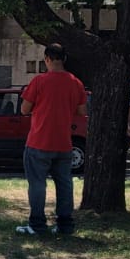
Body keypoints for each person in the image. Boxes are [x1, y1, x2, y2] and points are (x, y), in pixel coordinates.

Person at [17, 43, 88, 236]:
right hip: (64, 143)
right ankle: (65, 225)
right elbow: (82, 111)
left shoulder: (39, 81)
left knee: (38, 184)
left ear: (47, 59)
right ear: (64, 59)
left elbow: (24, 109)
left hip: (39, 141)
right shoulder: (76, 83)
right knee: (65, 183)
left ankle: (37, 224)